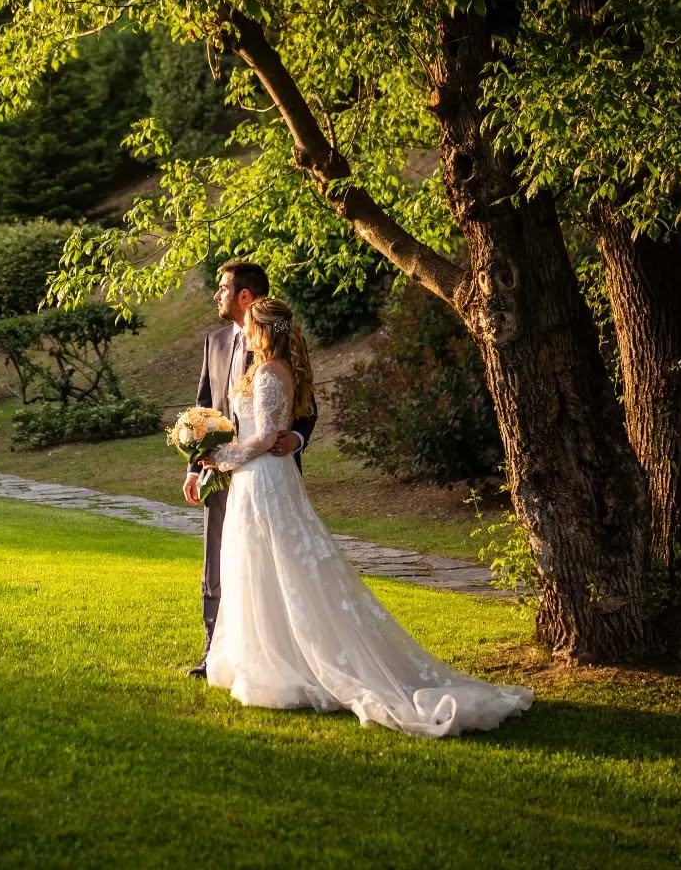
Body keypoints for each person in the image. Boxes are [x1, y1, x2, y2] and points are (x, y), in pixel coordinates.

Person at [200, 296, 533, 737]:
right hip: (262, 477)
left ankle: (286, 666)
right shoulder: (277, 370)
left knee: (271, 564)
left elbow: (263, 436)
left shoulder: (266, 372)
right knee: (264, 567)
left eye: (254, 327)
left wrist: (219, 456)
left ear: (263, 331)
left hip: (261, 478)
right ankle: (270, 654)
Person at [182, 261, 317, 678]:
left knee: (270, 565)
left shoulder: (280, 351)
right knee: (220, 561)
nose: (216, 295)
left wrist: (294, 440)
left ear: (245, 296)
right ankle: (215, 653)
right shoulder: (216, 341)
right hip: (220, 472)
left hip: (266, 472)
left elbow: (304, 407)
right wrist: (196, 465)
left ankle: (283, 651)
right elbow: (203, 409)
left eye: (223, 288)